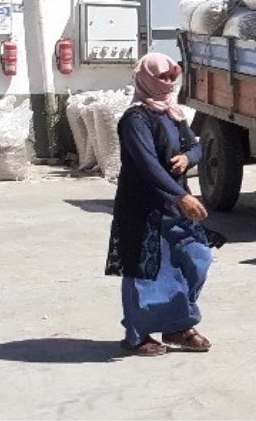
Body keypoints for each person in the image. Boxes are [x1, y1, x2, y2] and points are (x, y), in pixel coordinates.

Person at [105, 53, 213, 357]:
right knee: (145, 273)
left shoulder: (172, 114)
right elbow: (147, 165)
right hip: (143, 208)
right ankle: (137, 335)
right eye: (162, 77)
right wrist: (181, 197)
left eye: (171, 76)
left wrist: (188, 158)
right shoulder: (135, 119)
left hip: (175, 208)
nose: (168, 82)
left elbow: (196, 145)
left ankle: (177, 326)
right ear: (146, 78)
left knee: (196, 259)